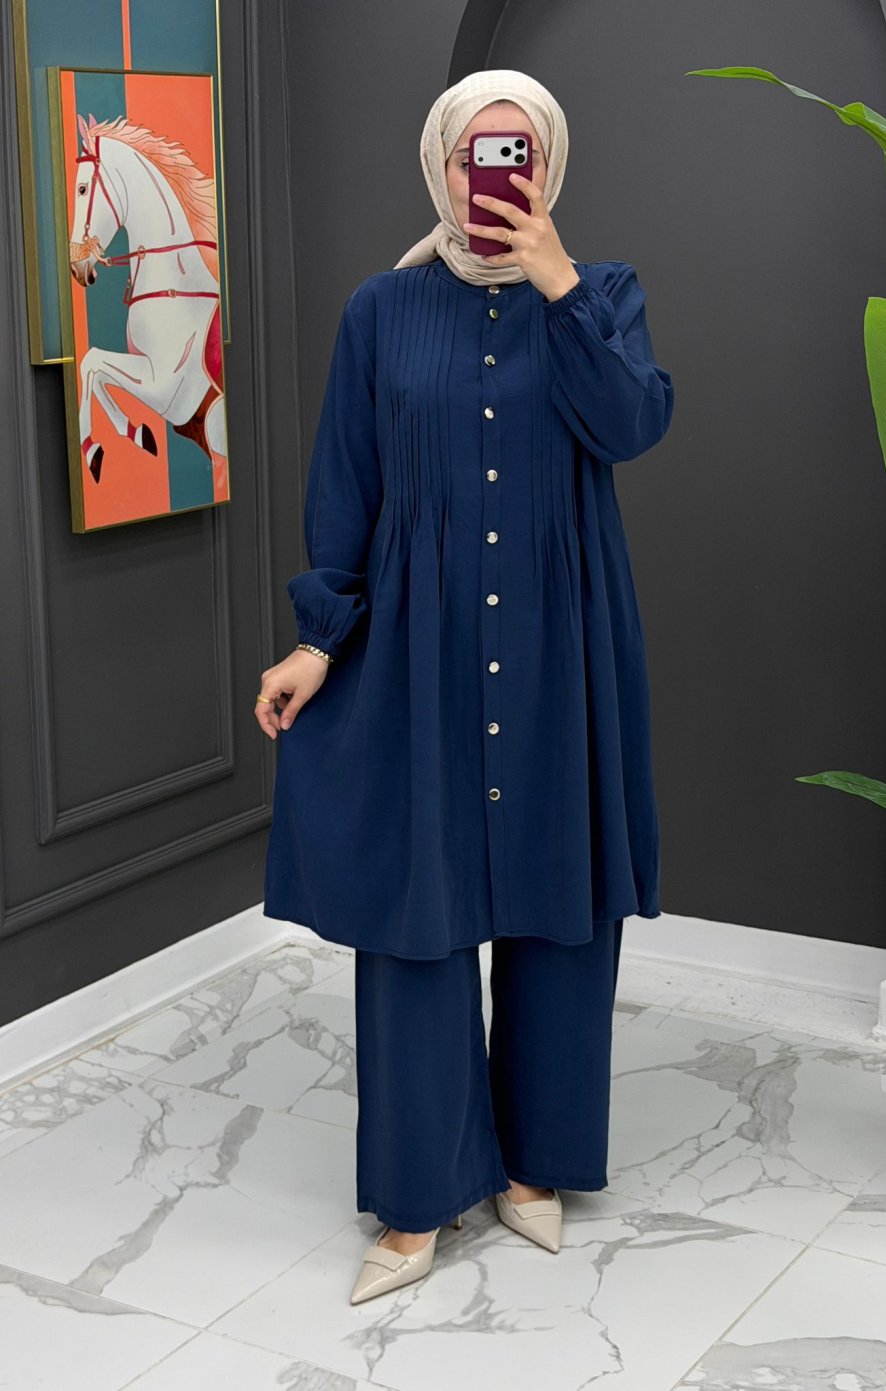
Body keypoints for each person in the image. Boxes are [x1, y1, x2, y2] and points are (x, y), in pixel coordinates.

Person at [254, 68, 674, 1305]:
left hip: (561, 637)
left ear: (547, 166)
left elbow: (632, 425)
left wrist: (556, 282)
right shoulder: (380, 309)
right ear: (438, 164)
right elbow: (347, 479)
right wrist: (318, 638)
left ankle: (537, 1163)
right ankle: (419, 1191)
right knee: (415, 912)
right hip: (417, 641)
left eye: (517, 153)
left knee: (559, 897)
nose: (492, 176)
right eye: (471, 154)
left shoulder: (601, 294)